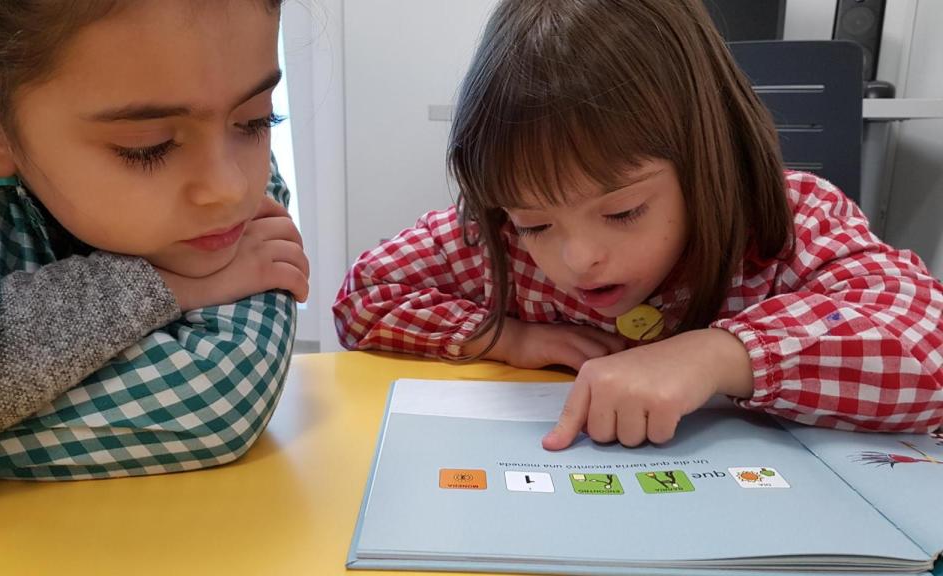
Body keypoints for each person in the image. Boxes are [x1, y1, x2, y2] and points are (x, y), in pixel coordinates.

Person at [333, 0, 943, 449]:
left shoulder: (787, 220)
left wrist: (718, 354)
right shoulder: (496, 240)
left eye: (623, 211)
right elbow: (363, 297)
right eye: (536, 223)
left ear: (708, 158)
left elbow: (924, 337)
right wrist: (512, 340)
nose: (577, 258)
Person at [0, 0, 309, 479]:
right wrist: (147, 288)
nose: (231, 188)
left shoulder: (215, 133)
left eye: (257, 120)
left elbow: (215, 397)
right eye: (149, 147)